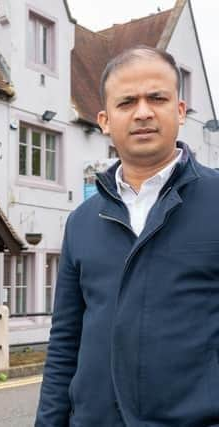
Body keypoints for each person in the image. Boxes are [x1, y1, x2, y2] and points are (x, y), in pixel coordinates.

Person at [35, 45, 219, 426]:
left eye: (157, 98)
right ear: (104, 120)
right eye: (127, 102)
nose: (143, 112)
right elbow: (65, 343)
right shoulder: (82, 221)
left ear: (180, 111)